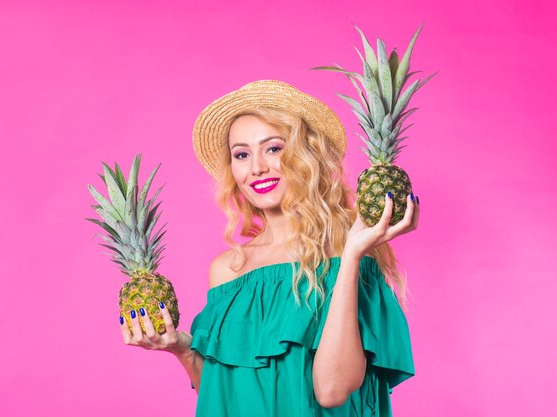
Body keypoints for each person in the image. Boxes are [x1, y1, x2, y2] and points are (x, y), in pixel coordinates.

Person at [119, 80, 419, 416]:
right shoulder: (228, 270)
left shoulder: (351, 251)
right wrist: (182, 349)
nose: (257, 167)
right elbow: (225, 392)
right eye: (242, 154)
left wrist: (349, 258)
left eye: (273, 148)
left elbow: (332, 390)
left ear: (307, 155)